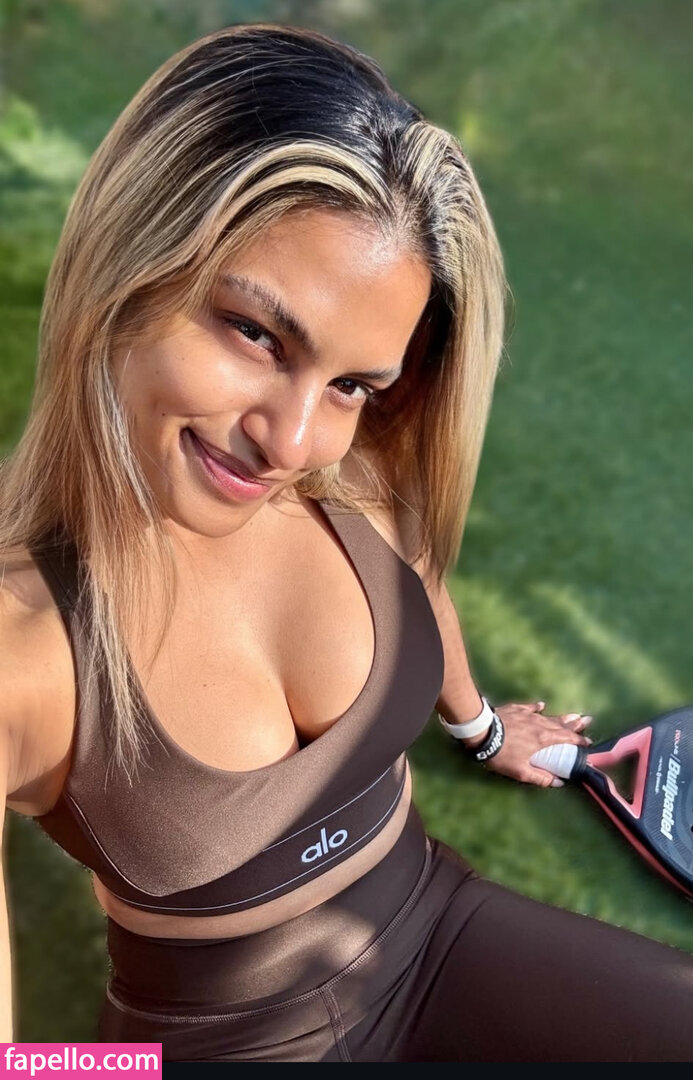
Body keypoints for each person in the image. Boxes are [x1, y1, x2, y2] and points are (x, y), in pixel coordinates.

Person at [1, 23, 692, 1063]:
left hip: (439, 928)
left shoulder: (349, 473)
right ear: (127, 261)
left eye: (352, 383)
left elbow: (417, 583)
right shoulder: (21, 649)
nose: (292, 440)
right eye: (255, 332)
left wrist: (483, 731)